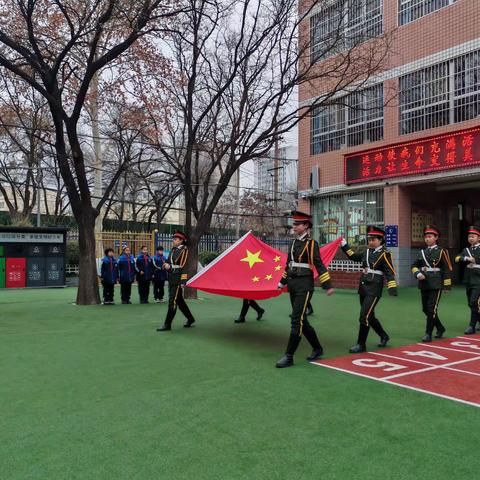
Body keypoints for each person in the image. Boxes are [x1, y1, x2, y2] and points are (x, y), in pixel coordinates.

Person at [275, 211, 334, 368]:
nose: (294, 227)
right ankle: (318, 348)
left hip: (305, 285)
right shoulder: (293, 243)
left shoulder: (311, 244)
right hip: (293, 285)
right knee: (302, 320)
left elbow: (319, 264)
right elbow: (289, 265)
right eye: (294, 224)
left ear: (306, 226)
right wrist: (282, 282)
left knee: (296, 320)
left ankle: (289, 356)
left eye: (297, 224)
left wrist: (327, 285)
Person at [341, 226, 398, 353]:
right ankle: (384, 335)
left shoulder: (385, 254)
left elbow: (390, 271)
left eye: (374, 239)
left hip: (374, 288)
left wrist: (392, 287)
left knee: (364, 316)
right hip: (364, 286)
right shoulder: (367, 252)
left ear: (380, 240)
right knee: (369, 316)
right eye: (369, 239)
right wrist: (344, 246)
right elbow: (354, 257)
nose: (371, 241)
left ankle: (361, 344)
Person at [411, 225, 452, 342]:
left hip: (436, 283)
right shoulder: (422, 252)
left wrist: (447, 285)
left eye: (429, 236)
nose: (427, 239)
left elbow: (446, 268)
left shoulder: (441, 251)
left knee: (431, 308)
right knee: (425, 309)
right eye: (426, 237)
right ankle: (440, 327)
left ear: (436, 237)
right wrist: (417, 273)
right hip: (424, 283)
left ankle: (428, 333)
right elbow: (413, 265)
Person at [156, 231, 196, 331]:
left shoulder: (184, 250)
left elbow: (184, 267)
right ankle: (190, 319)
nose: (173, 240)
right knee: (180, 301)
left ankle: (167, 324)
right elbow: (168, 261)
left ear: (181, 240)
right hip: (172, 278)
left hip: (178, 279)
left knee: (172, 301)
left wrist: (183, 282)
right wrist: (166, 265)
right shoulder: (173, 249)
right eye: (173, 239)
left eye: (175, 239)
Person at [455, 225, 480, 335]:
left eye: (473, 236)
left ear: (479, 238)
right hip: (469, 280)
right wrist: (466, 258)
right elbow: (456, 258)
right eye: (469, 236)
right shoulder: (466, 250)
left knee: (473, 301)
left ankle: (472, 326)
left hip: (479, 280)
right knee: (471, 303)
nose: (471, 238)